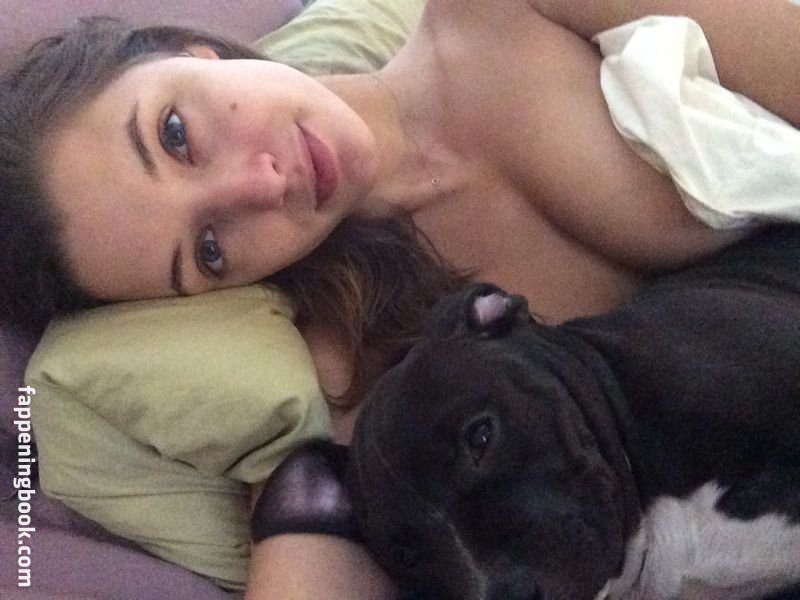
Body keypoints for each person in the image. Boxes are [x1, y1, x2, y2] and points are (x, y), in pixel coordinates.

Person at [2, 0, 799, 598]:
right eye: (210, 249)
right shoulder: (372, 355)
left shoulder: (504, 12)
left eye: (175, 134)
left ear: (187, 49)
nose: (260, 184)